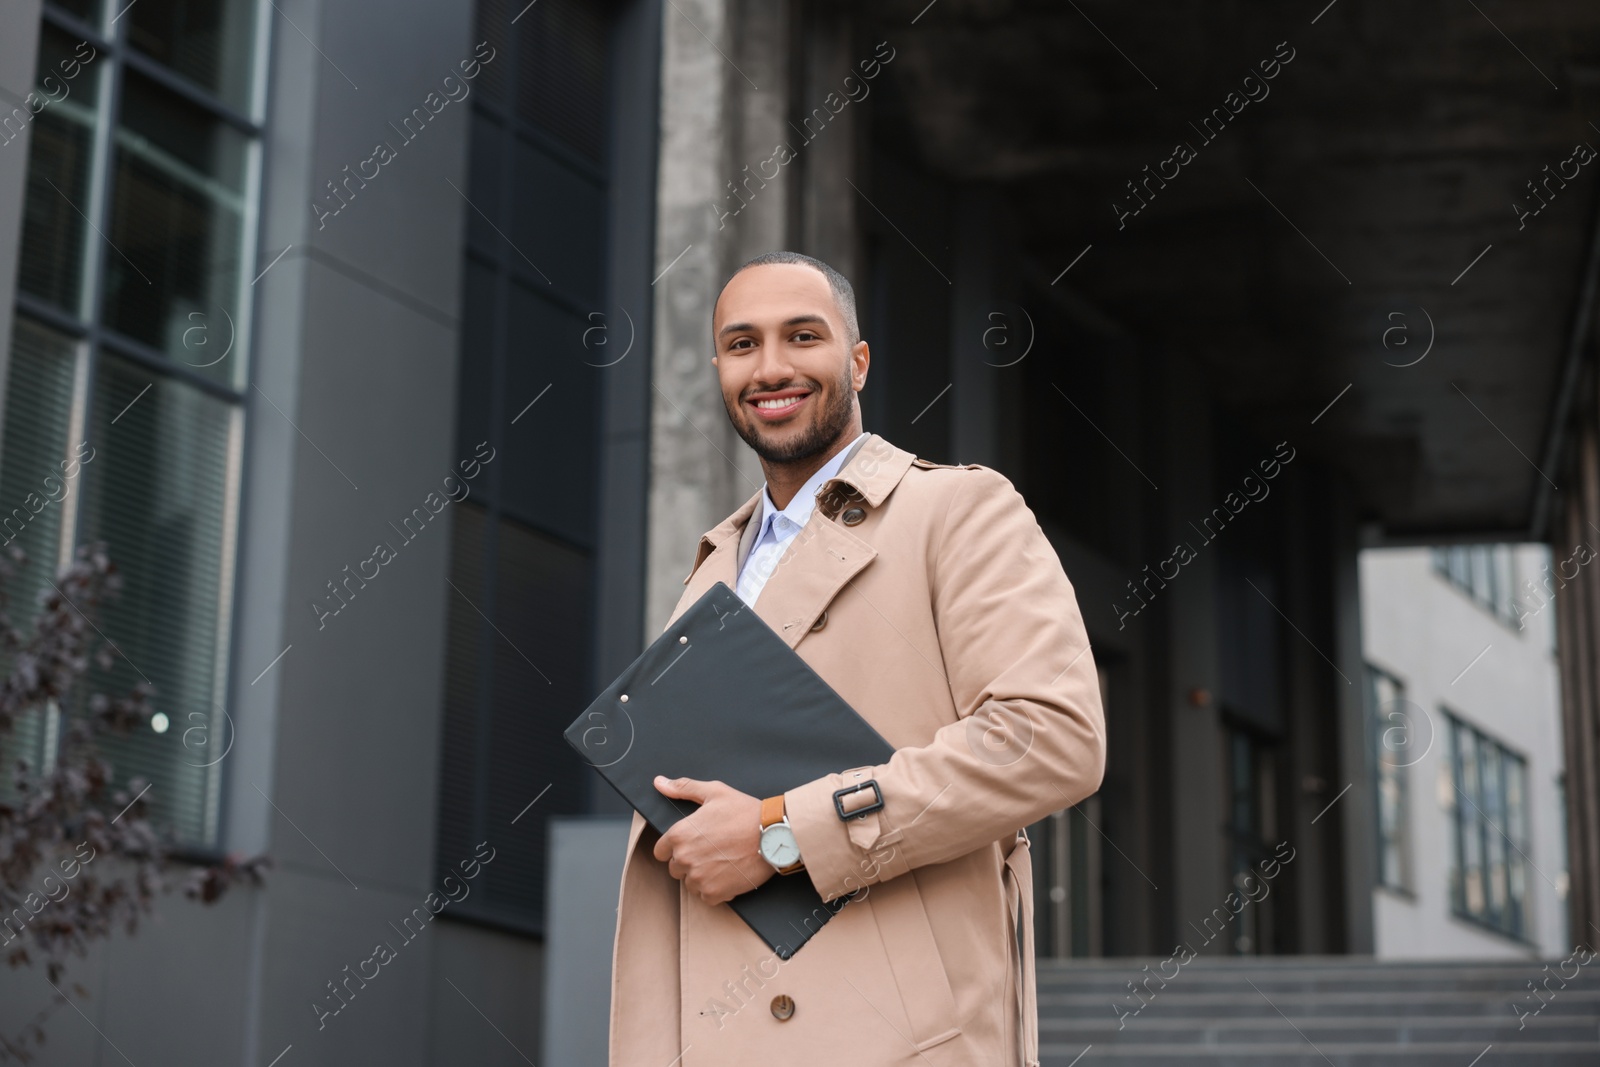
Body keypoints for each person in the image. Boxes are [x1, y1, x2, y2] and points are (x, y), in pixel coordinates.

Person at [608, 251, 1105, 1066]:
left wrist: (782, 833)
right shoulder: (713, 565)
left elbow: (1050, 739)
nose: (771, 367)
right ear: (718, 367)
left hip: (887, 1037)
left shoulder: (956, 510)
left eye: (802, 336)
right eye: (742, 344)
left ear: (858, 360)